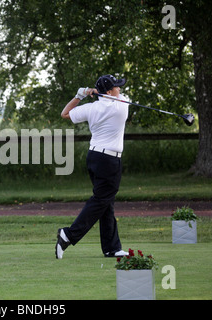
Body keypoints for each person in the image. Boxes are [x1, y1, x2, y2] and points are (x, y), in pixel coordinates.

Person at [55, 74, 129, 259]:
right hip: (109, 160)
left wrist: (81, 94)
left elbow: (65, 113)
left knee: (106, 201)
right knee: (100, 200)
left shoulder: (91, 108)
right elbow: (118, 97)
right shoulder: (122, 105)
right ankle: (68, 235)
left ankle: (112, 247)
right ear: (111, 91)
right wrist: (98, 93)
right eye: (117, 87)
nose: (120, 89)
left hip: (94, 157)